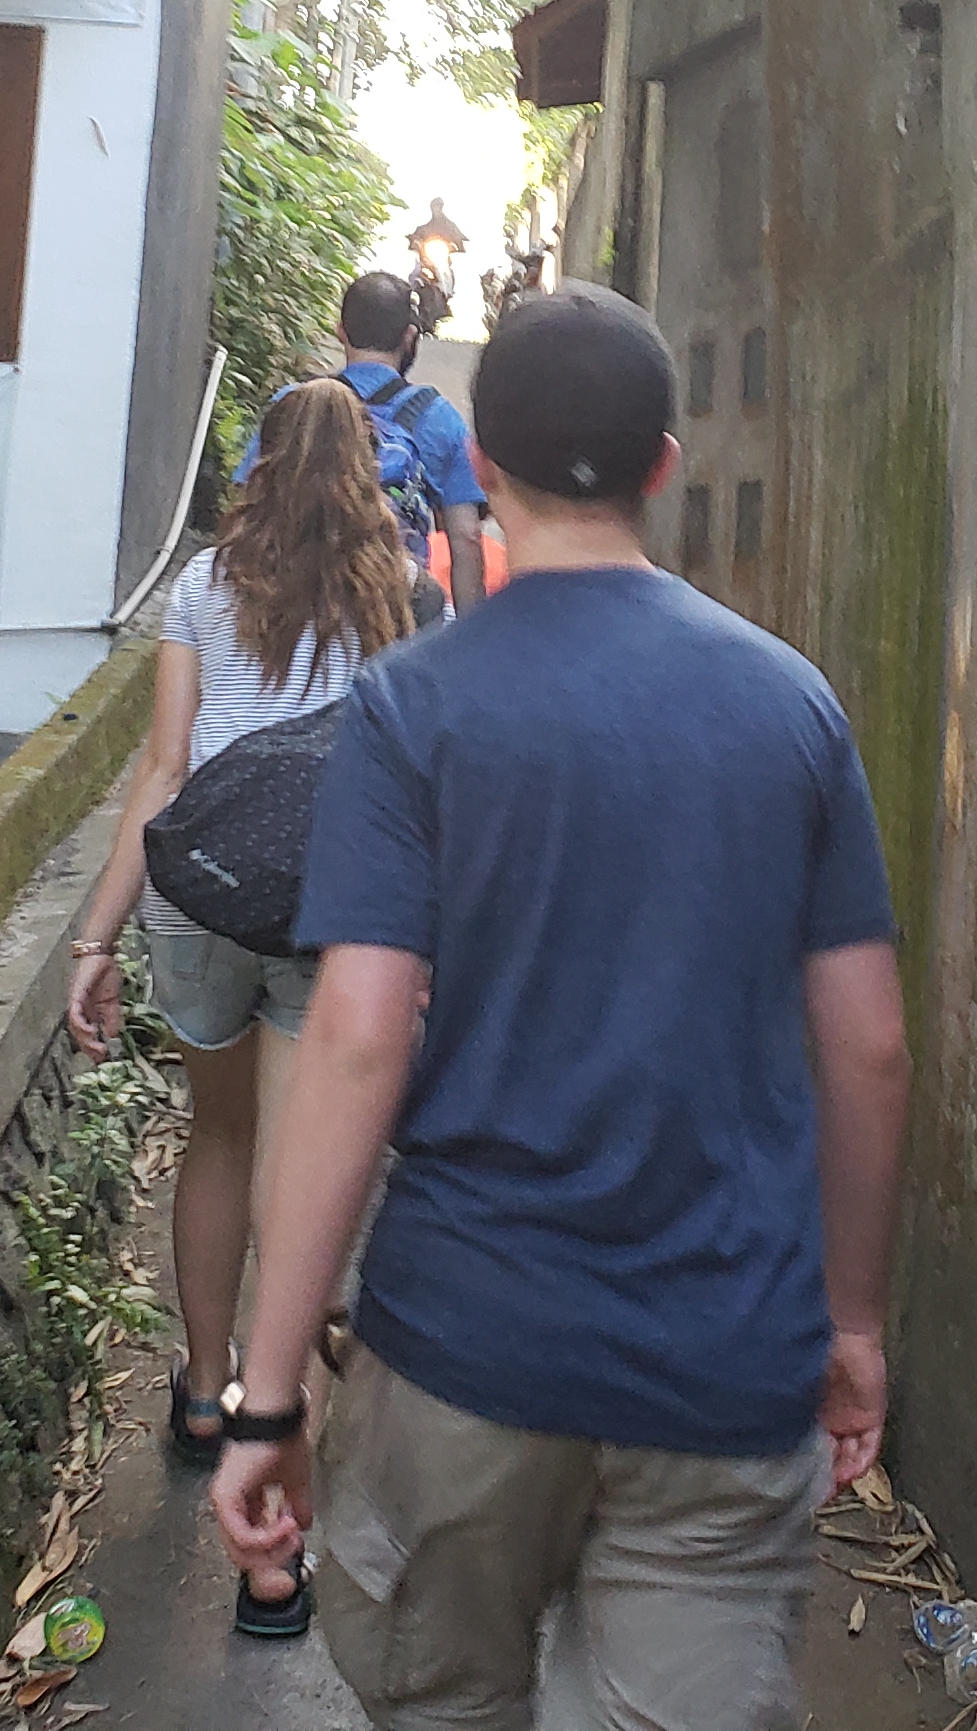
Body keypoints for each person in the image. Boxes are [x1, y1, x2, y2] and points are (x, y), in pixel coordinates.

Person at [211, 284, 913, 1726]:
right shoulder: (792, 708)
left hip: (466, 1352)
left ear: (484, 459)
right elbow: (871, 1045)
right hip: (721, 1360)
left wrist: (268, 1393)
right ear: (667, 461)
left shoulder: (416, 709)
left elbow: (354, 1041)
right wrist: (853, 1322)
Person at [67, 379, 418, 1638]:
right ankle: (272, 1558)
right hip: (331, 906)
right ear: (368, 466)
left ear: (261, 460)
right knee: (303, 1181)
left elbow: (161, 770)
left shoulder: (206, 586)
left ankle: (204, 1395)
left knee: (217, 1140)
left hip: (203, 891)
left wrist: (95, 936)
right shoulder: (397, 593)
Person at [240, 270, 488, 617]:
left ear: (340, 331)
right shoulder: (438, 417)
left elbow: (246, 503)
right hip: (391, 607)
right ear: (409, 337)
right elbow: (466, 537)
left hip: (293, 602)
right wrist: (470, 635)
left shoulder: (291, 405)